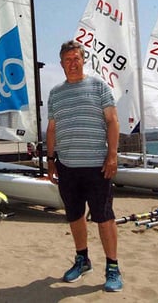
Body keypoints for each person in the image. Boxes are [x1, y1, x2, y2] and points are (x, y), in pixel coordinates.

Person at [46, 40, 122, 292]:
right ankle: (82, 259)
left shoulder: (99, 87)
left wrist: (112, 156)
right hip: (67, 166)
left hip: (97, 166)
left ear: (83, 60)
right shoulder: (55, 93)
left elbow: (112, 121)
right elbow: (52, 128)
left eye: (76, 58)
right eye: (67, 59)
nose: (72, 63)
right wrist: (50, 159)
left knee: (104, 217)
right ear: (61, 64)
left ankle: (113, 267)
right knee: (75, 216)